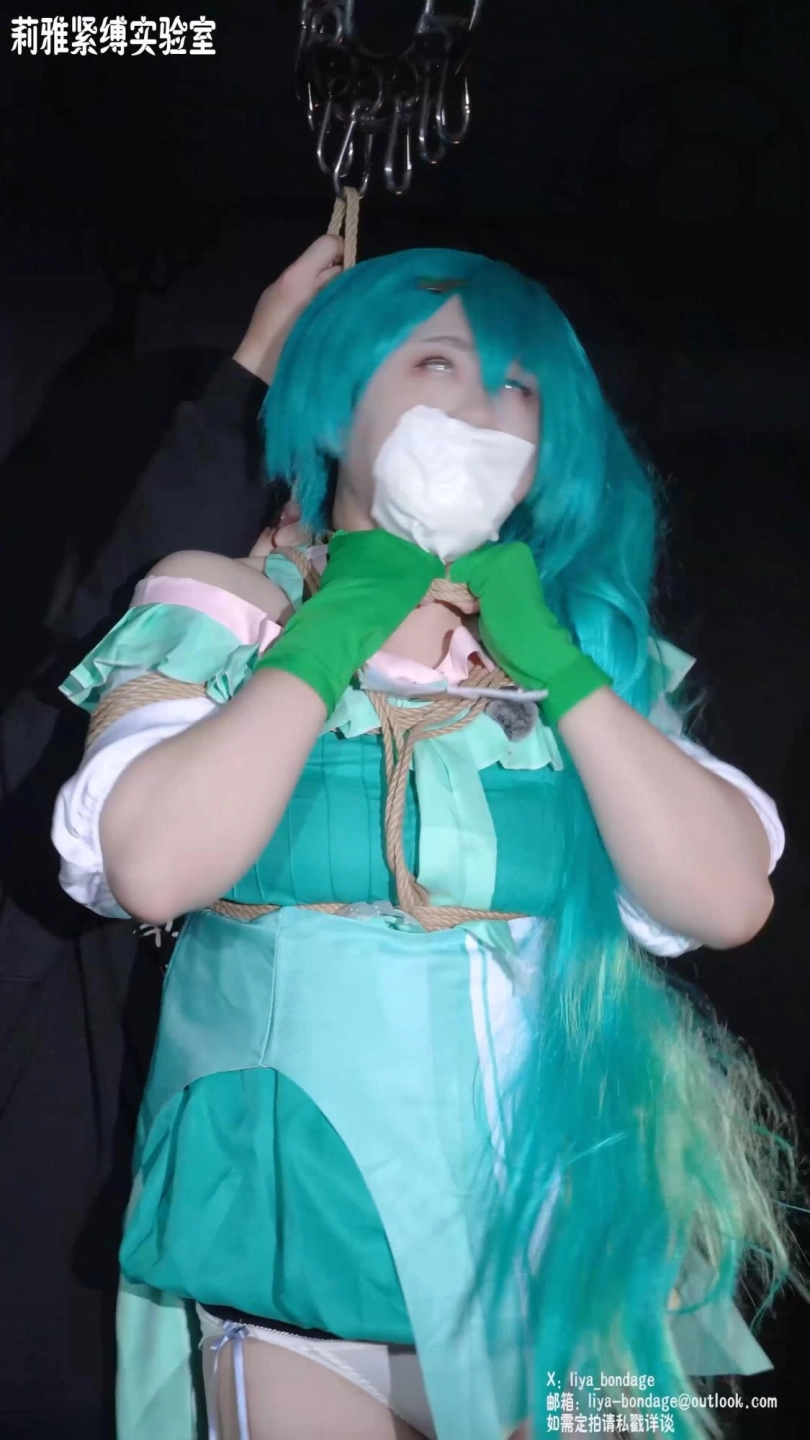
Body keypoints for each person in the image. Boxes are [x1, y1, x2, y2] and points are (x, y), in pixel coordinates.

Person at [52, 245, 796, 1440]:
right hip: (302, 1251)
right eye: (439, 364)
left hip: (564, 1256)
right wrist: (337, 619)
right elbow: (151, 865)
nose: (485, 407)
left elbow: (727, 899)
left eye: (522, 386)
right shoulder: (224, 603)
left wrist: (553, 662)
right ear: (336, 398)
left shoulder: (583, 651)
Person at [0, 238, 340, 1440]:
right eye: (279, 520)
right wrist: (254, 370)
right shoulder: (80, 771)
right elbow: (103, 662)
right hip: (83, 1325)